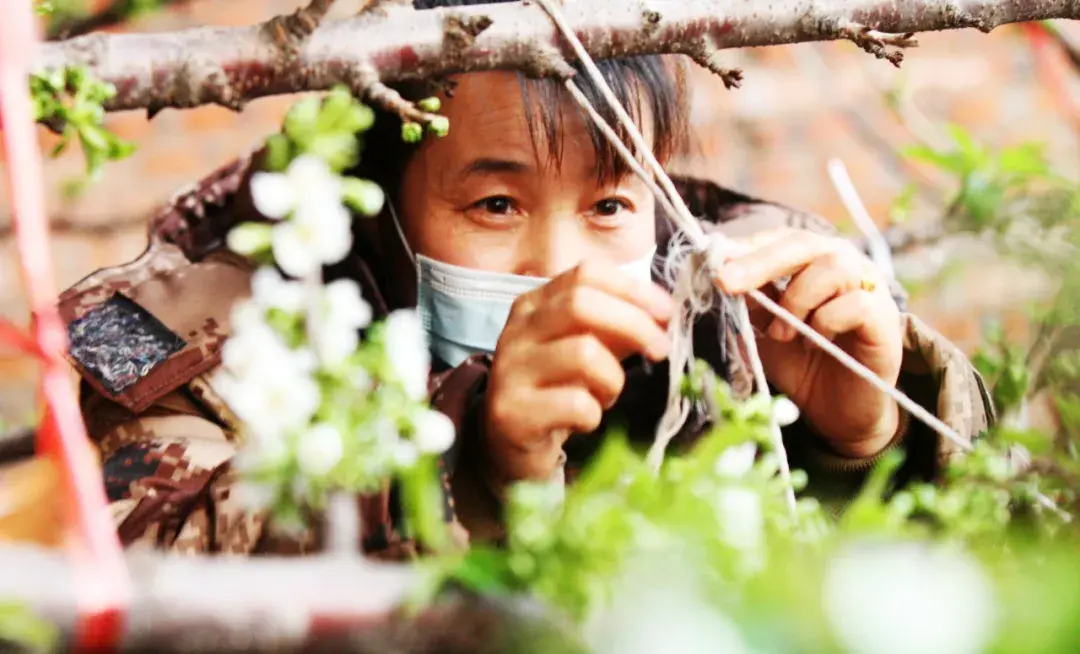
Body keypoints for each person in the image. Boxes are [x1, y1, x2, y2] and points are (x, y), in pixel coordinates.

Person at [55, 0, 993, 555]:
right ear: (379, 193)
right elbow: (159, 572)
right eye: (496, 206)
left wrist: (872, 432)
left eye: (608, 206)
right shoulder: (178, 336)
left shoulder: (752, 293)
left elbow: (997, 559)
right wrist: (473, 464)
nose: (562, 271)